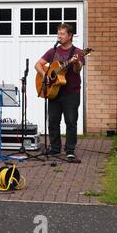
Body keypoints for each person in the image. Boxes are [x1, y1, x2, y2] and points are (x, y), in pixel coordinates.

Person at [34, 23, 85, 162]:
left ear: (70, 36)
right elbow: (37, 64)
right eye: (58, 34)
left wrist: (75, 63)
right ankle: (55, 148)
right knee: (53, 121)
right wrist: (44, 75)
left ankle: (70, 151)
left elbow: (77, 70)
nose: (59, 36)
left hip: (71, 93)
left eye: (62, 34)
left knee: (71, 122)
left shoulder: (78, 52)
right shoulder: (53, 51)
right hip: (54, 92)